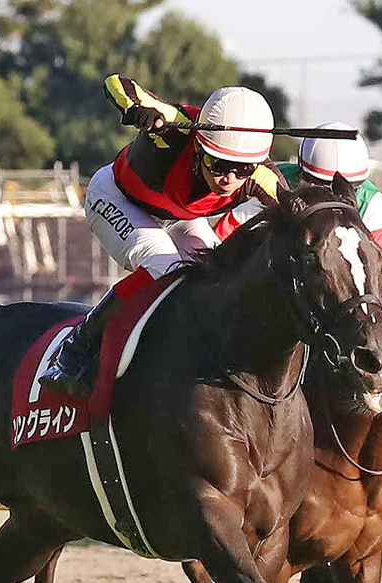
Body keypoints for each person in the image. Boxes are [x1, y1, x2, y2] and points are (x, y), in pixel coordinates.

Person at [39, 74, 287, 399]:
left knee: (219, 275)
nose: (228, 178)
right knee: (166, 268)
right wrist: (137, 109)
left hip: (180, 217)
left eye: (242, 170)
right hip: (116, 197)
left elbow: (305, 214)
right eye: (217, 163)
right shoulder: (177, 126)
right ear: (199, 147)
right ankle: (77, 349)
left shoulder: (264, 177)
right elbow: (118, 84)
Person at [223, 122, 382, 252]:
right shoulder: (274, 184)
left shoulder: (374, 206)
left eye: (345, 189)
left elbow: (376, 271)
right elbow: (225, 233)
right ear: (301, 175)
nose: (332, 200)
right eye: (323, 188)